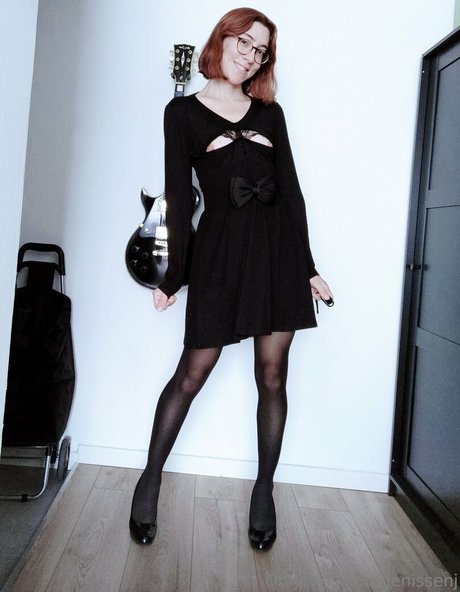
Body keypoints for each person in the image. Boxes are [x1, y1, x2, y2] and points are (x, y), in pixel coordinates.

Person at [129, 7, 333, 552]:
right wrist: (171, 277)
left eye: (260, 50)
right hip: (219, 253)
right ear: (221, 39)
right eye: (244, 42)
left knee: (273, 376)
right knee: (192, 373)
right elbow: (179, 199)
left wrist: (309, 267)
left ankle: (264, 492)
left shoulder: (271, 114)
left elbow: (292, 193)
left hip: (278, 254)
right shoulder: (181, 113)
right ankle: (150, 480)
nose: (250, 56)